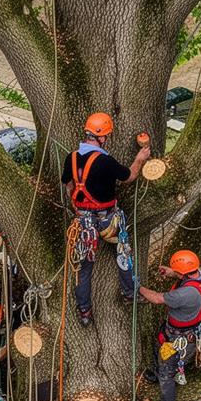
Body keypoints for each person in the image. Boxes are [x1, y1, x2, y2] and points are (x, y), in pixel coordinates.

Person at [62, 112, 151, 326]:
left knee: (83, 268)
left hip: (83, 222)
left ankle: (84, 310)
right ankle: (129, 292)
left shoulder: (71, 157)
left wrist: (77, 206)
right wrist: (139, 159)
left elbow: (68, 185)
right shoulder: (106, 161)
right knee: (123, 253)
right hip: (107, 221)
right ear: (102, 137)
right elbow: (129, 176)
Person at [138, 250, 201, 401]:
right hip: (175, 331)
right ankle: (154, 372)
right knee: (157, 345)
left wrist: (137, 287)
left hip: (182, 339)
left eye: (176, 271)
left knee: (167, 375)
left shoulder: (186, 294)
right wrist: (171, 272)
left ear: (183, 273)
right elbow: (184, 276)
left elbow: (156, 298)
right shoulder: (197, 276)